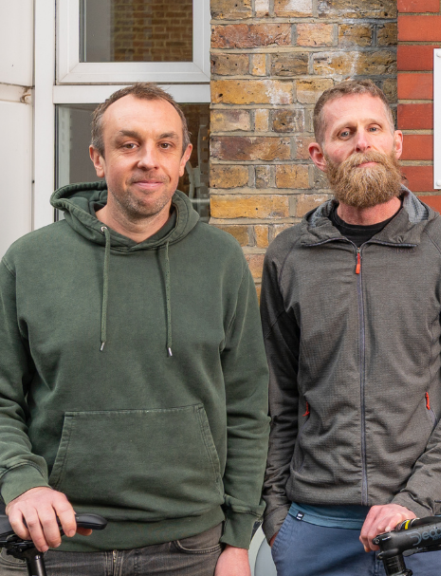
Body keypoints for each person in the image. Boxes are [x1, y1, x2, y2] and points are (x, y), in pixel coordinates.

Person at [0, 84, 270, 576]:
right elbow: (1, 398)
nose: (149, 160)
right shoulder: (30, 261)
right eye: (129, 144)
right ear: (98, 159)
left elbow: (248, 409)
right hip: (55, 541)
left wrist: (237, 541)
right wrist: (23, 480)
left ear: (185, 158)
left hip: (189, 548)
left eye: (165, 144)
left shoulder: (221, 261)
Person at [260, 79, 441, 576]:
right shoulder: (289, 256)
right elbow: (275, 391)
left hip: (423, 524)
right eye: (344, 132)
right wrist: (277, 515)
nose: (362, 141)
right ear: (319, 154)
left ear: (397, 143)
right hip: (314, 527)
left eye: (373, 128)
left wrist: (417, 496)